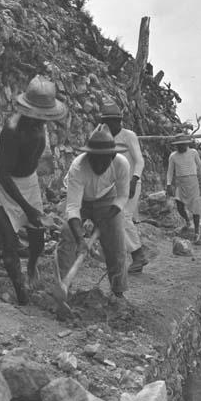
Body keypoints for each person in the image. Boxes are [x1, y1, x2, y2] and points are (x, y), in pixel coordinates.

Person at [0, 75, 68, 304]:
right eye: (36, 115)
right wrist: (27, 209)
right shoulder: (12, 131)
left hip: (28, 182)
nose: (41, 119)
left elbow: (36, 160)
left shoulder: (41, 126)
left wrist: (33, 208)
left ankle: (31, 266)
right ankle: (20, 292)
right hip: (4, 184)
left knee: (38, 240)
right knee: (9, 242)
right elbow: (2, 174)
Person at [56, 124, 130, 305]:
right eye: (93, 159)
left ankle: (118, 291)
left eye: (103, 161)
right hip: (81, 201)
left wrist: (106, 219)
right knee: (67, 234)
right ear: (88, 155)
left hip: (108, 198)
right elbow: (72, 207)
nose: (97, 165)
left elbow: (122, 197)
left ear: (112, 157)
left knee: (116, 240)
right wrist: (81, 240)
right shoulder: (78, 167)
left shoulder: (121, 164)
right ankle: (64, 287)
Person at [100, 102, 148, 274]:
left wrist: (134, 180)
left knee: (124, 217)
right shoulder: (103, 136)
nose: (110, 125)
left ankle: (138, 255)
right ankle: (127, 256)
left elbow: (140, 161)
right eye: (107, 122)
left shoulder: (129, 135)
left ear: (119, 121)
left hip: (132, 183)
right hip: (115, 186)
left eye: (114, 122)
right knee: (116, 220)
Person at [166, 135, 201, 244]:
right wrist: (168, 184)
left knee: (195, 207)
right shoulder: (173, 156)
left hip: (192, 182)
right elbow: (170, 172)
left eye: (182, 145)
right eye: (178, 145)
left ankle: (197, 232)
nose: (180, 147)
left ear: (187, 144)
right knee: (179, 206)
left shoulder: (193, 152)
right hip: (180, 182)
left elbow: (200, 166)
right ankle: (187, 221)